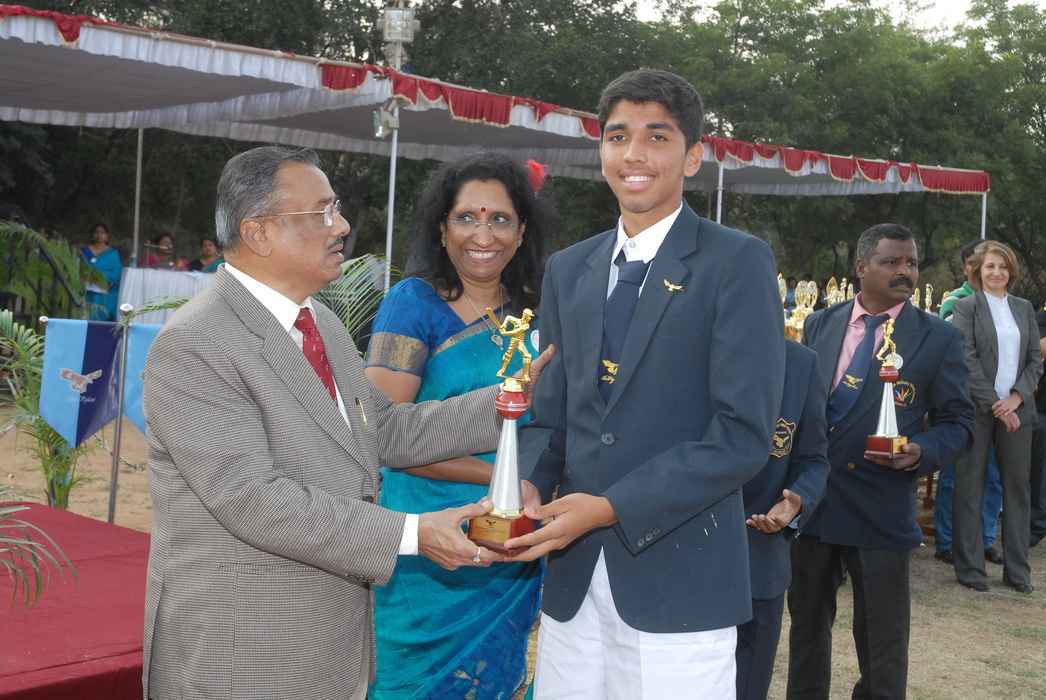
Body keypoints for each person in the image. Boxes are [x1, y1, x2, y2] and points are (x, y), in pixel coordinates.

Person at [141, 146, 552, 700]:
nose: (342, 226)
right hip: (244, 646)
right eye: (323, 212)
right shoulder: (198, 343)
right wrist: (412, 533)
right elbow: (252, 499)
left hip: (329, 641)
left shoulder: (320, 324)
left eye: (335, 209)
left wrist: (511, 397)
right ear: (259, 232)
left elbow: (386, 430)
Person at [506, 69, 787, 699]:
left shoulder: (736, 262)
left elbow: (742, 434)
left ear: (692, 156)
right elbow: (550, 417)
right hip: (573, 584)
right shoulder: (568, 269)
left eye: (656, 137)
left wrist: (609, 508)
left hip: (681, 581)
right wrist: (526, 483)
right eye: (617, 136)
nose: (633, 154)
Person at [363, 152, 552, 699]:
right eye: (467, 217)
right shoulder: (413, 304)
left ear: (522, 231)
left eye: (500, 219)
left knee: (493, 678)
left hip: (510, 546)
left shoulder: (538, 314)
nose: (483, 235)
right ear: (442, 228)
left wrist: (522, 489)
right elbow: (381, 433)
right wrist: (502, 481)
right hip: (427, 541)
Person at [787, 223, 973, 699]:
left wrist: (921, 451)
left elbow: (958, 422)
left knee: (882, 644)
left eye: (911, 263)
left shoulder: (937, 338)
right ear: (861, 267)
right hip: (813, 504)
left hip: (881, 505)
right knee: (806, 629)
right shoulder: (819, 324)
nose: (905, 271)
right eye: (892, 262)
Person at [736, 339, 829, 700]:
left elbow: (814, 460)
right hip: (680, 569)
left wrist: (796, 502)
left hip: (759, 564)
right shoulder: (682, 342)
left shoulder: (801, 363)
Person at [951, 240, 1043, 594]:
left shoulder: (1023, 308)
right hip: (978, 409)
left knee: (1017, 490)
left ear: (1011, 272)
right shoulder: (966, 307)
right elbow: (967, 358)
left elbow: (1035, 359)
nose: (997, 272)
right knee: (970, 485)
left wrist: (1016, 398)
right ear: (978, 270)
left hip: (1019, 410)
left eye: (1003, 267)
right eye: (990, 266)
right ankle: (970, 568)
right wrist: (996, 404)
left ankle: (1018, 571)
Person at [934, 239, 1004, 565]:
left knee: (993, 475)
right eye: (985, 263)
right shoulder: (955, 302)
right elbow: (960, 350)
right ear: (968, 267)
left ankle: (985, 538)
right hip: (963, 400)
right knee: (956, 473)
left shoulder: (1006, 304)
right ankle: (948, 540)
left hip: (1000, 404)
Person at [80, 222, 122, 321]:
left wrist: (99, 276)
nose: (99, 235)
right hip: (87, 291)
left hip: (105, 291)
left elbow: (117, 273)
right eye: (96, 232)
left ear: (107, 236)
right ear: (92, 235)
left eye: (102, 232)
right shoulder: (85, 251)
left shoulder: (112, 254)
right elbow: (79, 269)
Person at [1030, 308, 1046, 547]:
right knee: (1039, 473)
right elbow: (1040, 348)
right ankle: (1036, 526)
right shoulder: (1041, 318)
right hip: (1042, 409)